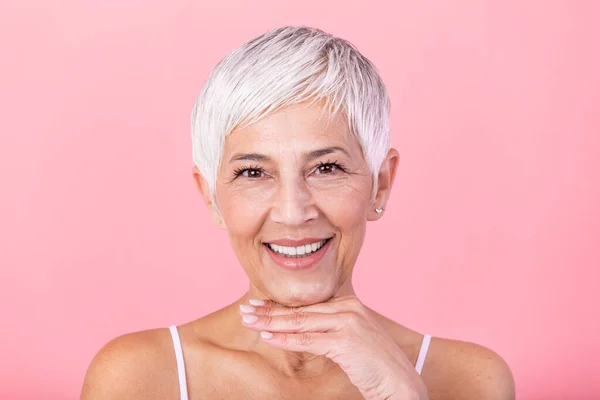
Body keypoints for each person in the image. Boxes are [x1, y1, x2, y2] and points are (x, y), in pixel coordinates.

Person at [81, 26, 515, 400]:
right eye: (253, 172)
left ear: (380, 183)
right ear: (212, 196)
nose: (293, 212)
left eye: (326, 168)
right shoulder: (138, 376)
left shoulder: (469, 380)